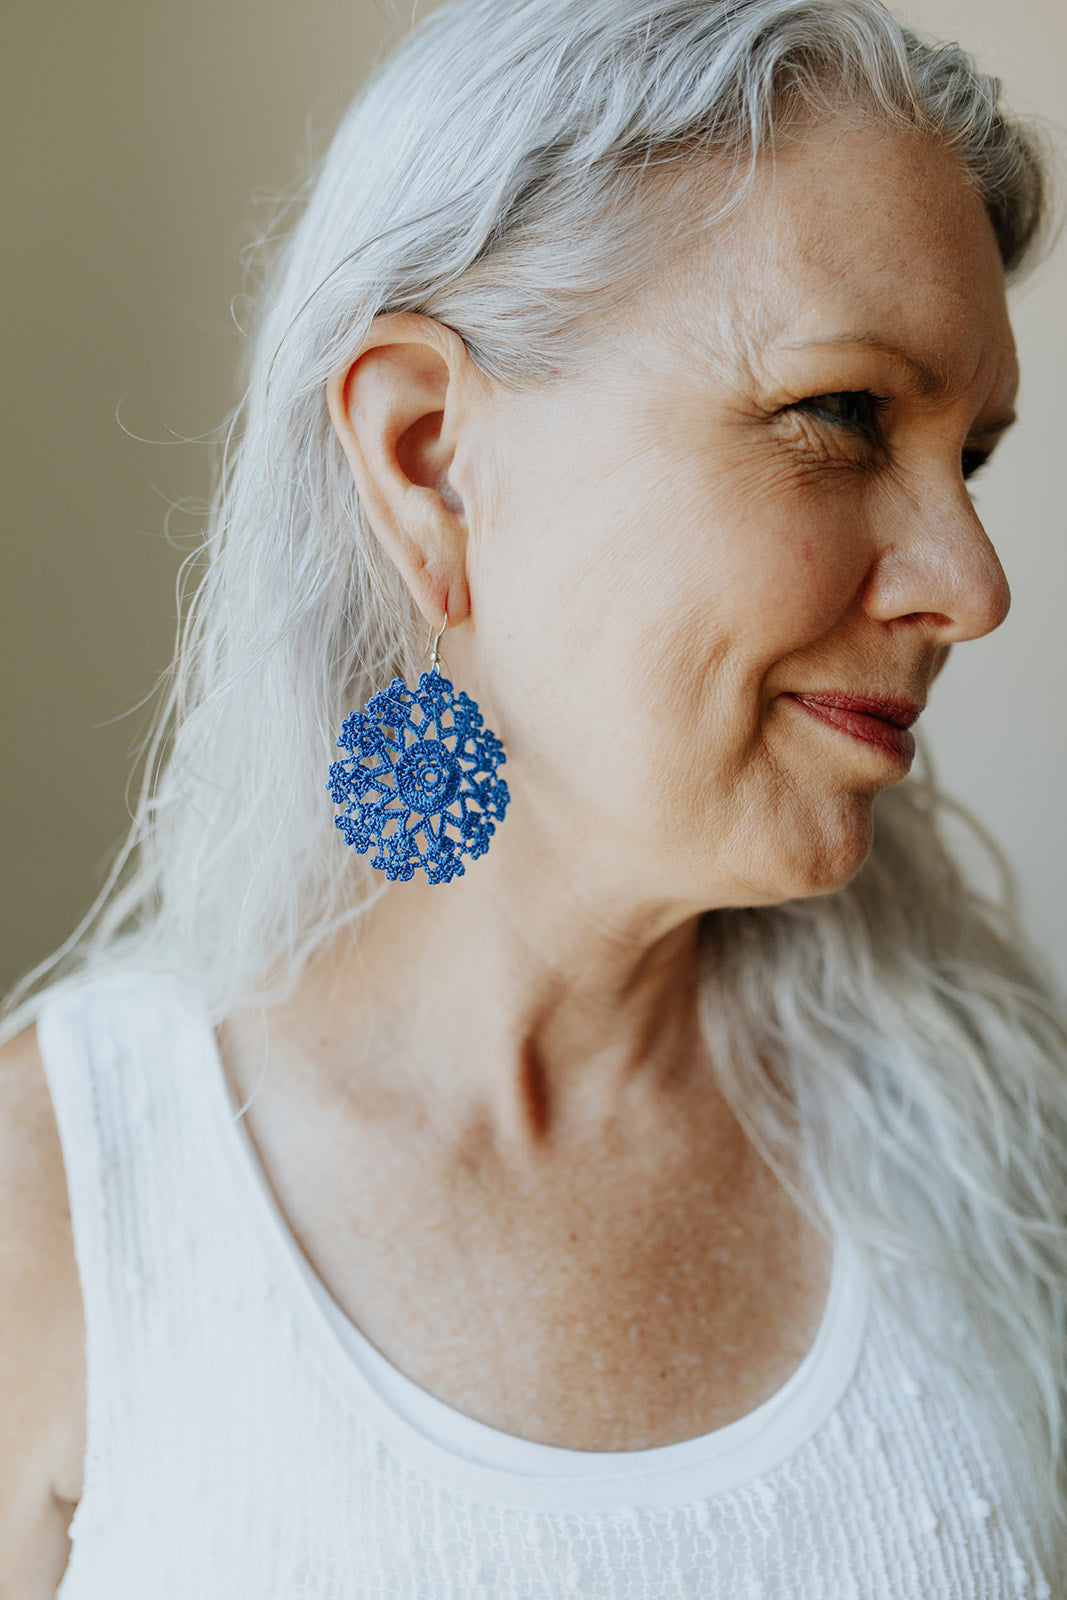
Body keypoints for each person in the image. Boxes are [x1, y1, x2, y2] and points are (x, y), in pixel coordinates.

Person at [2, 0, 1065, 1594]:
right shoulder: (64, 1202)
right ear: (429, 459)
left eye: (967, 456)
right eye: (841, 416)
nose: (971, 585)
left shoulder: (1004, 1153)